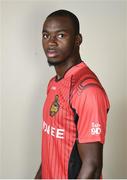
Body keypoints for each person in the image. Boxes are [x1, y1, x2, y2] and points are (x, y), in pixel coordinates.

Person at [35, 9, 110, 179]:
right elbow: (53, 145)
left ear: (78, 40)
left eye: (60, 35)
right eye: (46, 35)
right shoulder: (54, 83)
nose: (51, 42)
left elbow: (92, 167)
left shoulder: (88, 91)